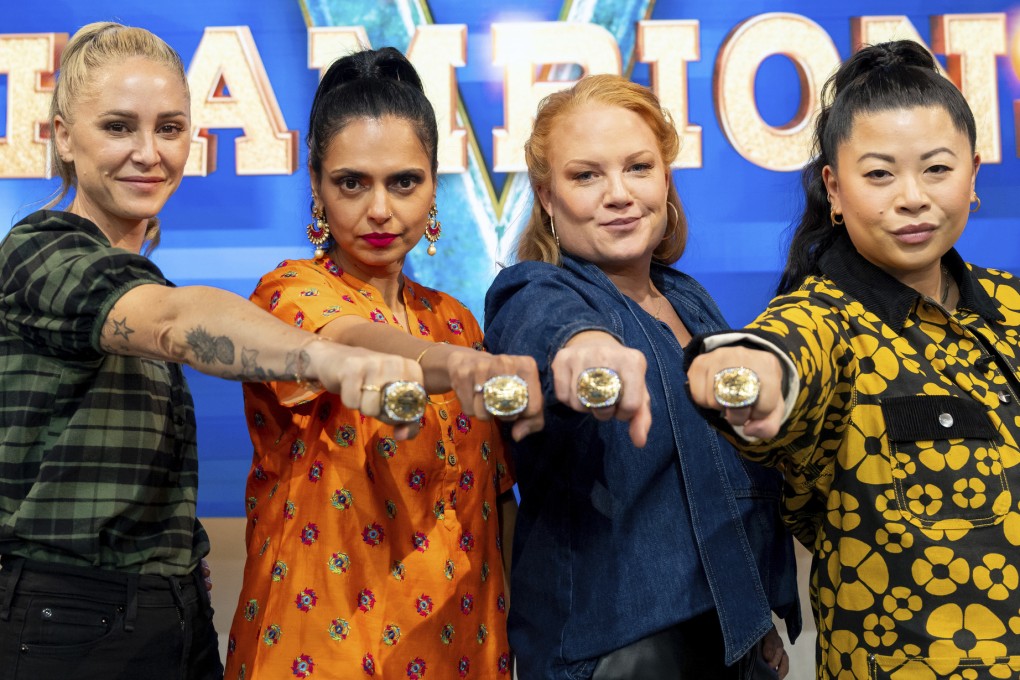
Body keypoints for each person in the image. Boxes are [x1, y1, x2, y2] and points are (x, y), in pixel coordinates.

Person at [0, 23, 427, 680]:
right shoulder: (38, 251)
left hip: (169, 615)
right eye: (118, 127)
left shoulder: (142, 276)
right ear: (61, 136)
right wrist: (330, 359)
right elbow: (174, 322)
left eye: (168, 128)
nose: (147, 152)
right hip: (65, 616)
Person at [686, 40, 1020, 678]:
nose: (913, 197)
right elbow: (784, 353)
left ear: (973, 175)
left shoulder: (1009, 306)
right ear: (834, 191)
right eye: (879, 174)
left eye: (937, 169)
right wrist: (750, 379)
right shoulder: (827, 321)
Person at [224, 47, 541, 679]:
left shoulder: (457, 320)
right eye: (352, 183)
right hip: (319, 648)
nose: (379, 210)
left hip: (462, 646)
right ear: (315, 184)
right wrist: (449, 363)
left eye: (403, 182)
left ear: (432, 184)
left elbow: (495, 503)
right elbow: (350, 338)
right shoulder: (286, 294)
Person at [483, 74, 800, 680]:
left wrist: (750, 613)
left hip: (730, 640)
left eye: (638, 167)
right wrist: (588, 352)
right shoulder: (534, 289)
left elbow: (723, 481)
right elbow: (552, 333)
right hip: (616, 654)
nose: (619, 193)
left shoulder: (690, 300)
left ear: (665, 180)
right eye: (586, 175)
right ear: (547, 198)